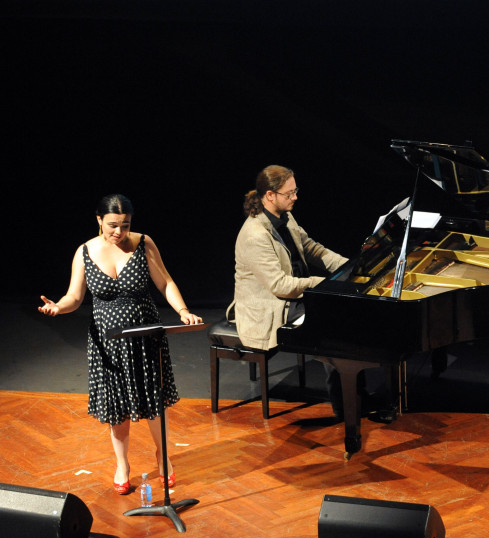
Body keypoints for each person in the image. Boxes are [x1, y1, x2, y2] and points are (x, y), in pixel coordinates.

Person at [39, 194, 203, 495]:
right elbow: (74, 297)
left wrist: (183, 311)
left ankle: (163, 458)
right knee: (116, 408)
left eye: (125, 225)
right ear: (99, 220)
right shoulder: (85, 251)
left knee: (154, 402)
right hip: (108, 342)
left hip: (144, 337)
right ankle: (122, 464)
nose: (119, 232)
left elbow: (165, 282)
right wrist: (57, 308)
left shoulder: (143, 244)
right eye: (112, 225)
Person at [232, 165, 352, 414]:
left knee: (346, 313)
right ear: (270, 195)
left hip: (294, 297)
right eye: (289, 193)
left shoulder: (286, 217)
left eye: (295, 190)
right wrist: (322, 283)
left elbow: (312, 248)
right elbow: (279, 285)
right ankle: (347, 408)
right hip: (270, 307)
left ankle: (354, 394)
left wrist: (350, 267)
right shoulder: (255, 234)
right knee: (331, 328)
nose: (295, 197)